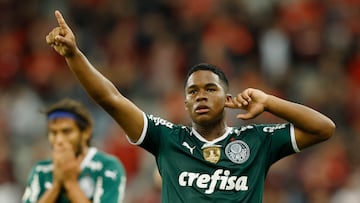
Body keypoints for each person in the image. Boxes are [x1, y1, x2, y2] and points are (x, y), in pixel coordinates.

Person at [45, 10, 336, 202]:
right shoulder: (167, 138)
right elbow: (111, 98)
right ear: (185, 102)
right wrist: (74, 55)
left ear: (227, 97)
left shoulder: (257, 141)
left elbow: (324, 128)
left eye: (211, 89)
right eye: (193, 91)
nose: (201, 96)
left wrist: (270, 102)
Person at [22, 98, 127, 203]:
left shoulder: (108, 167)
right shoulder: (41, 170)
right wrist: (56, 185)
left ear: (86, 132)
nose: (59, 140)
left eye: (66, 131)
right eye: (53, 133)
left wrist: (70, 183)